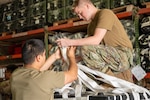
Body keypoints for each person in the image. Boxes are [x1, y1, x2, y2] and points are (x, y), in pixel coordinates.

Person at [56, 0, 134, 82]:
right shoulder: (91, 26)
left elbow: (96, 40)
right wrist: (73, 59)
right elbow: (93, 52)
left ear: (87, 6)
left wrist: (69, 42)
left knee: (85, 48)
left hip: (123, 55)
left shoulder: (105, 13)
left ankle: (111, 81)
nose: (79, 16)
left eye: (80, 12)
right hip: (111, 57)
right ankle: (110, 80)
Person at [10, 39, 77, 100]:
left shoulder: (15, 75)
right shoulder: (47, 77)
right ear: (38, 58)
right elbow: (73, 75)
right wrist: (71, 56)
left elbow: (37, 74)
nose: (45, 57)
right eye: (44, 54)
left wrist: (54, 56)